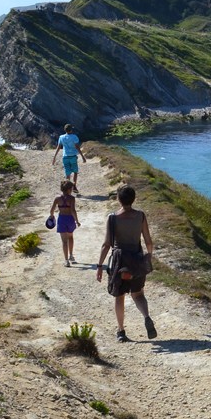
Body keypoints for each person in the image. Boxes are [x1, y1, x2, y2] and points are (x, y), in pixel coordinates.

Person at [96, 185, 157, 342]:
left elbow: (106, 244)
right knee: (138, 294)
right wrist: (148, 257)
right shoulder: (141, 216)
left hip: (119, 261)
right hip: (136, 259)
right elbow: (148, 241)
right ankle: (146, 316)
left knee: (119, 296)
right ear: (134, 199)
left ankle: (121, 331)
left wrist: (99, 265)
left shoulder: (113, 218)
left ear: (118, 199)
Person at [48, 180, 80, 266]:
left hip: (61, 219)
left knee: (64, 241)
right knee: (70, 237)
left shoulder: (57, 198)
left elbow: (52, 210)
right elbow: (73, 210)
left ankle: (66, 261)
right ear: (69, 189)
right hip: (70, 219)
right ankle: (71, 255)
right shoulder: (72, 198)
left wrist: (51, 216)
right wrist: (77, 221)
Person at [51, 124, 87, 194]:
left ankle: (67, 189)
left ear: (65, 130)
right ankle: (74, 186)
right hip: (73, 156)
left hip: (65, 157)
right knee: (75, 172)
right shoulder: (74, 137)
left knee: (67, 173)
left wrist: (54, 157)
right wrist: (82, 156)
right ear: (71, 130)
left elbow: (58, 147)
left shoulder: (61, 137)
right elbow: (77, 147)